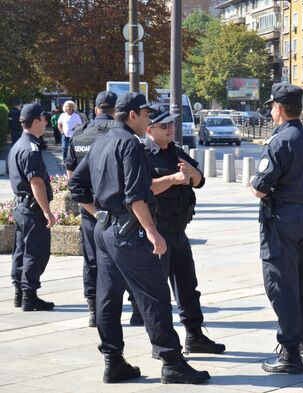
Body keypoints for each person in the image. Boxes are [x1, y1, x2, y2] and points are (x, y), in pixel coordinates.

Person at [68, 93, 210, 385]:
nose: (148, 119)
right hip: (128, 231)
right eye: (145, 114)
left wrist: (100, 215)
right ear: (131, 115)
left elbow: (76, 185)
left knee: (108, 298)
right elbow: (136, 195)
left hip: (105, 231)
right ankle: (171, 362)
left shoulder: (101, 142)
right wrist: (152, 231)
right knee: (154, 297)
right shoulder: (129, 144)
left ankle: (113, 361)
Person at [250, 83, 303, 374]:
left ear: (279, 109)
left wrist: (253, 186)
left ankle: (289, 353)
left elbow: (261, 187)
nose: (272, 111)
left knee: (280, 286)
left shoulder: (279, 142)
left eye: (272, 107)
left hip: (282, 219)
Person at [139, 105, 225, 355]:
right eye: (164, 126)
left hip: (178, 231)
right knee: (158, 292)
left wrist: (192, 174)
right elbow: (143, 190)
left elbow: (199, 181)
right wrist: (172, 180)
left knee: (188, 287)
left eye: (172, 125)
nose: (170, 129)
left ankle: (195, 336)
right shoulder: (142, 153)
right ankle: (163, 345)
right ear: (149, 129)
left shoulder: (175, 151)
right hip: (155, 231)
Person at [64, 91, 118, 327]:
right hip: (116, 208)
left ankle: (94, 311)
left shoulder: (79, 134)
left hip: (89, 208)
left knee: (92, 260)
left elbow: (71, 174)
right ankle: (135, 310)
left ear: (96, 109)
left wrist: (87, 204)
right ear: (115, 110)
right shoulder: (120, 134)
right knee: (125, 259)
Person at [8, 103, 56, 311]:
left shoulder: (19, 144)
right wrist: (47, 212)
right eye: (43, 119)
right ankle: (29, 296)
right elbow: (36, 182)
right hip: (32, 209)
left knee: (21, 251)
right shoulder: (31, 148)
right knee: (35, 252)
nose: (46, 122)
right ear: (35, 121)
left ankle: (20, 293)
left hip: (21, 208)